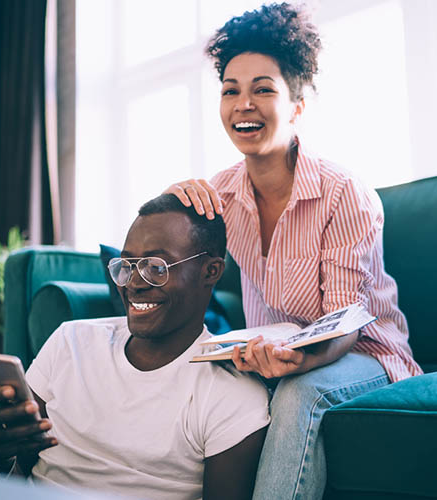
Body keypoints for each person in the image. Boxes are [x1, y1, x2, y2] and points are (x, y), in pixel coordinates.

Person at [164, 3, 423, 499]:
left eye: (263, 89)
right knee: (203, 384)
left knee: (297, 394)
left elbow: (346, 322)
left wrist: (294, 366)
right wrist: (175, 200)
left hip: (364, 354)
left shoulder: (344, 193)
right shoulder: (219, 195)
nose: (244, 104)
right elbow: (163, 254)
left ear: (297, 105)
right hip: (271, 350)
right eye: (230, 91)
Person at [0, 194, 270, 500]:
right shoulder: (71, 342)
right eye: (127, 265)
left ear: (210, 271)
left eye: (156, 267)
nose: (133, 283)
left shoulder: (231, 394)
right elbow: (16, 466)